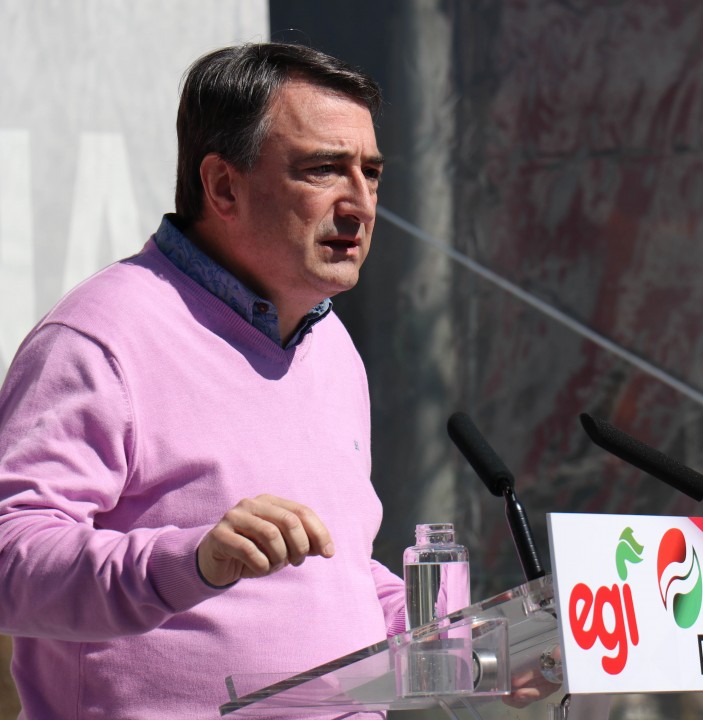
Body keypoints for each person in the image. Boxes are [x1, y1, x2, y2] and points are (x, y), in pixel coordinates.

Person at [0, 42, 406, 718]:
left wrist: (468, 640)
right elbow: (10, 556)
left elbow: (336, 578)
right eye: (324, 170)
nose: (361, 204)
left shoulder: (331, 344)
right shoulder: (100, 337)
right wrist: (190, 562)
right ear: (223, 186)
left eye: (371, 173)